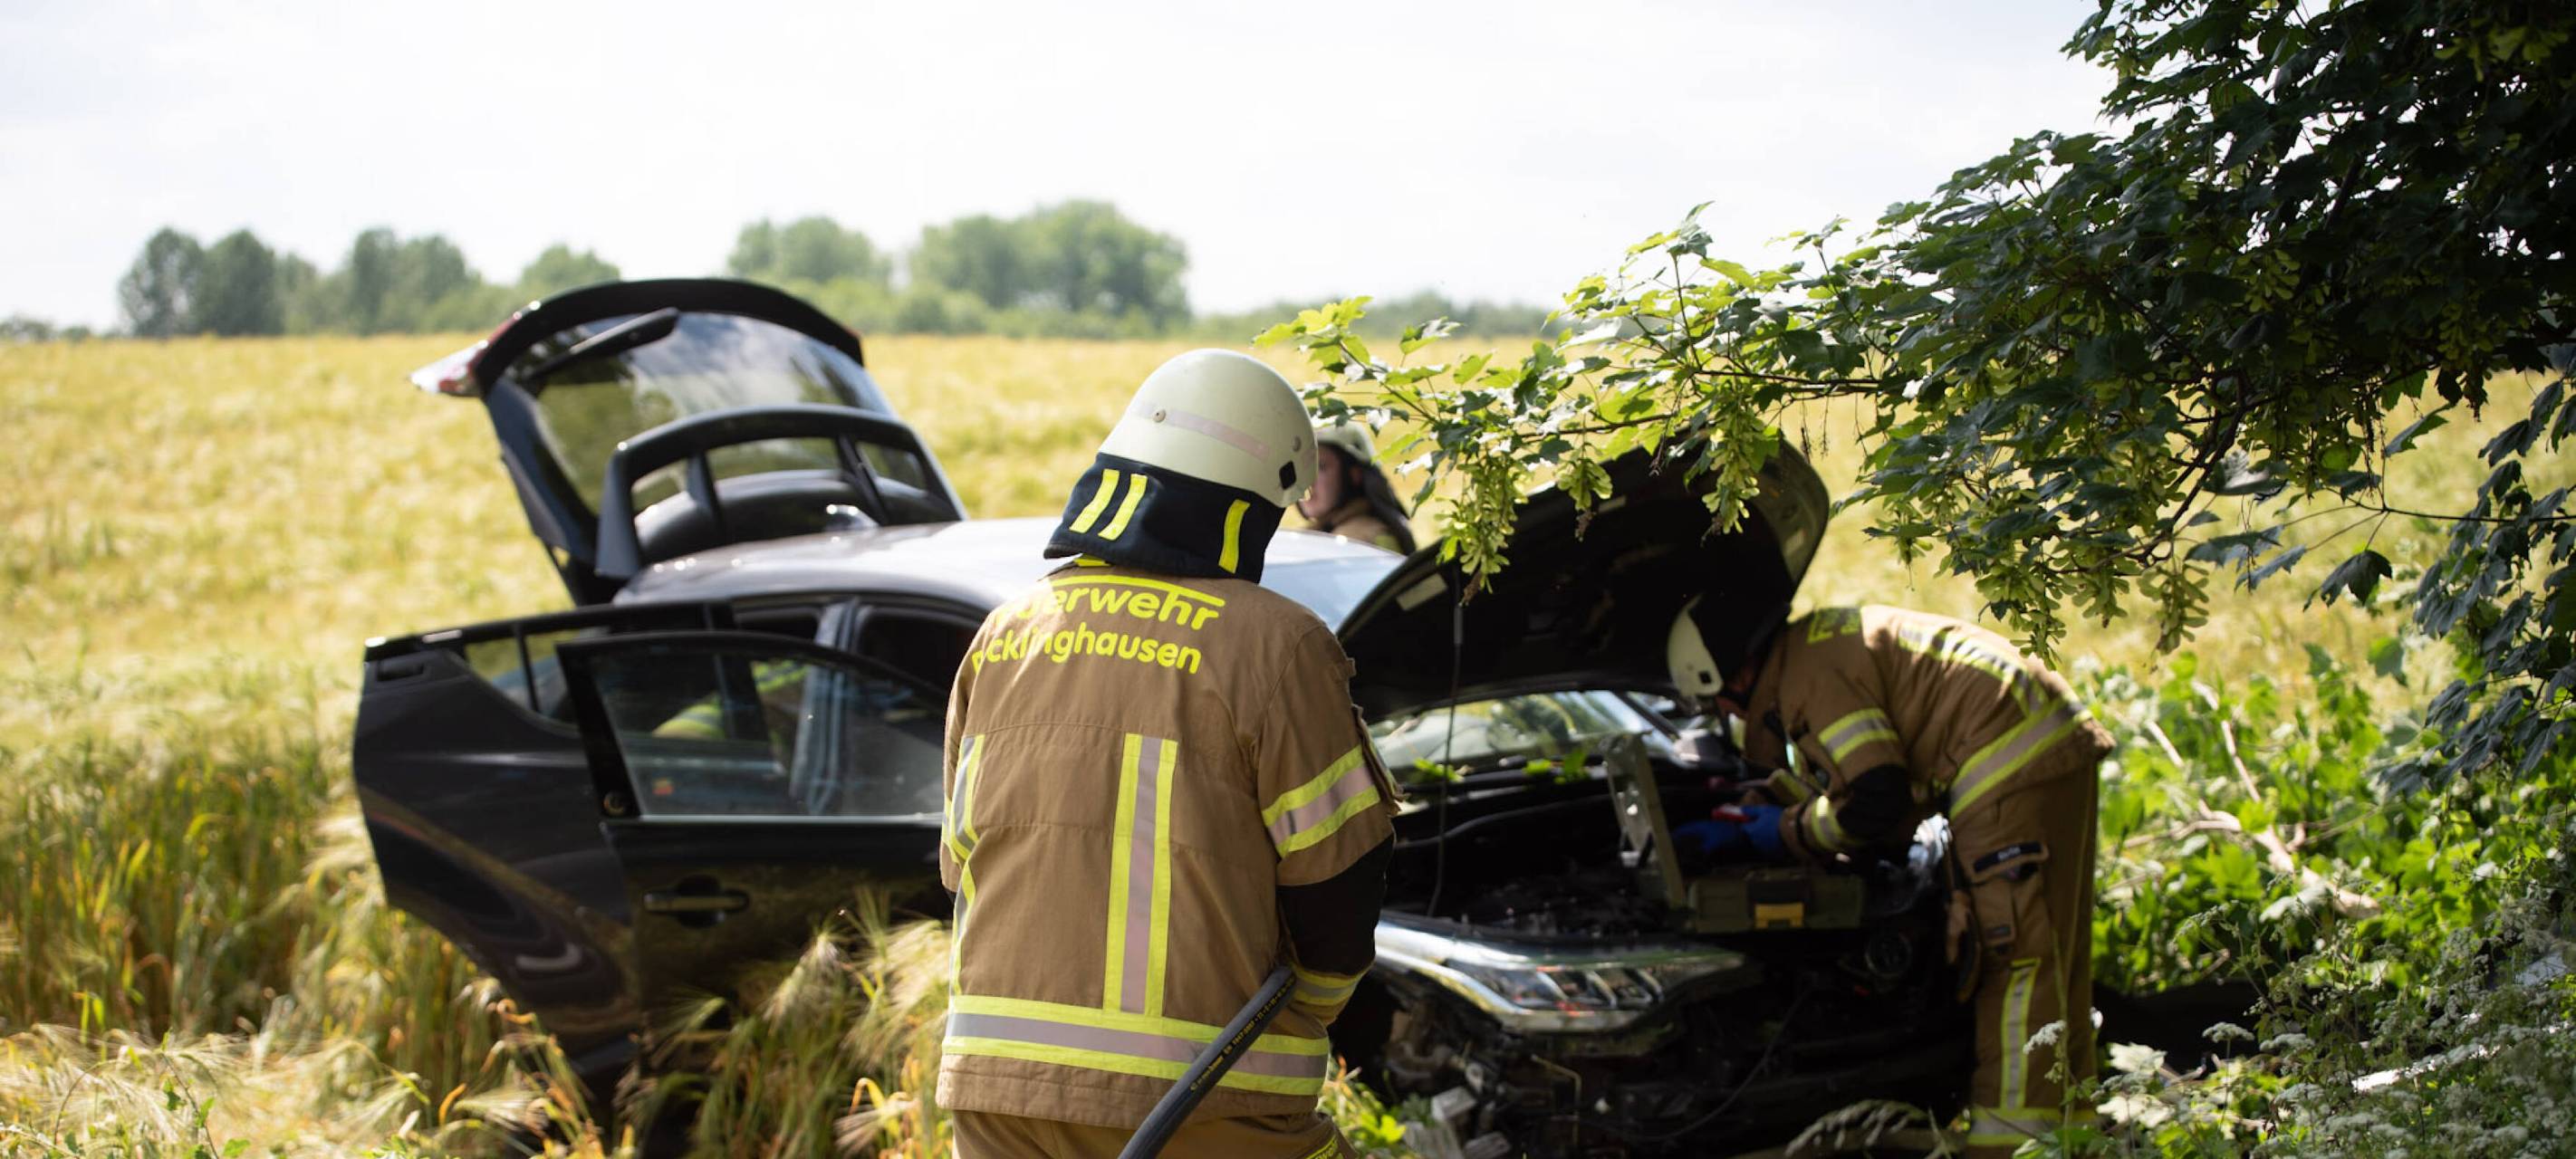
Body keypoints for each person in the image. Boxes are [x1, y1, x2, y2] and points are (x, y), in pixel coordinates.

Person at [939, 350, 1399, 1159]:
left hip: (995, 1100)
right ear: (1254, 504)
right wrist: (1315, 1009)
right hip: (1205, 1102)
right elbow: (1338, 890)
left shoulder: (1005, 634)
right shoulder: (1277, 644)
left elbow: (959, 866)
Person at [1667, 570, 2111, 1159]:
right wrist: (1785, 812)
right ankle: (2070, 1134)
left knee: (2014, 955)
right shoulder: (1812, 650)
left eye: (1716, 698)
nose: (1725, 712)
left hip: (2006, 760)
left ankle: (2014, 1147)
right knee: (2054, 952)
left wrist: (1787, 831)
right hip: (2033, 741)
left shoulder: (1807, 679)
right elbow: (1879, 779)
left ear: (1736, 673)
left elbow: (1878, 796)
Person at [1297, 420, 1415, 553]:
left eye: (1321, 467)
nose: (1306, 480)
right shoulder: (1319, 537)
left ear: (1354, 474)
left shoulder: (1363, 543)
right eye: (1301, 468)